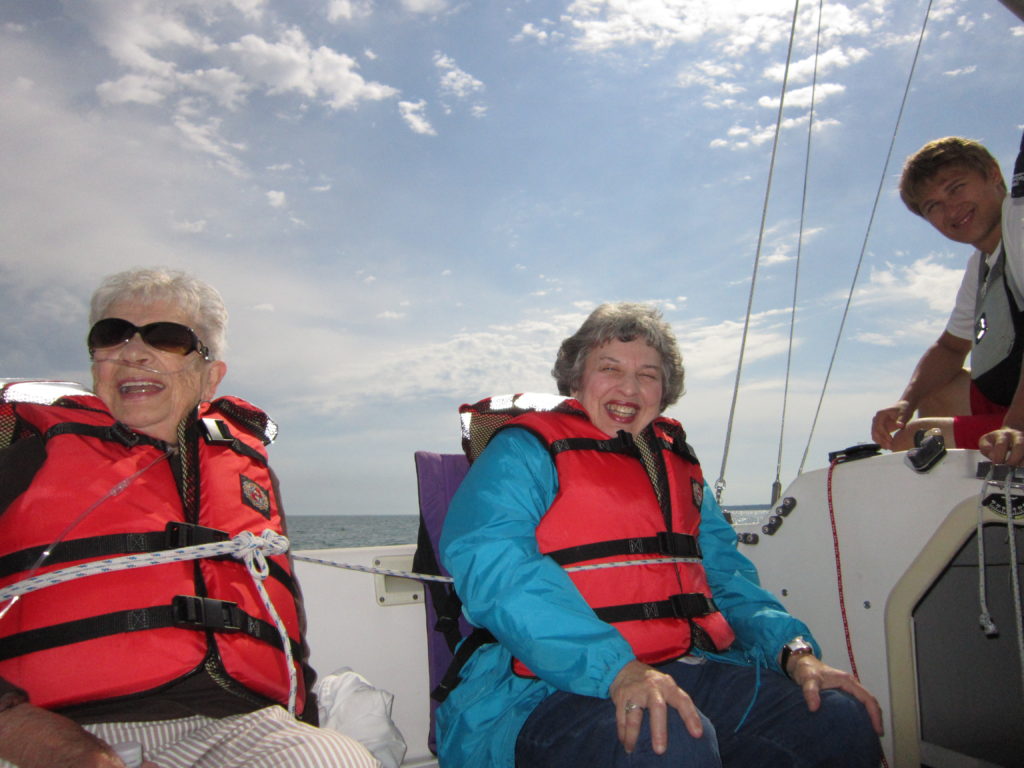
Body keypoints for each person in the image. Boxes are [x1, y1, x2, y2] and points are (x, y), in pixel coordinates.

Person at [436, 303, 883, 767]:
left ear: (664, 392)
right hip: (551, 684)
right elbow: (493, 566)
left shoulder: (679, 467)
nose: (628, 388)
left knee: (836, 716)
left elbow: (726, 579)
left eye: (648, 375)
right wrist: (617, 670)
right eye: (609, 368)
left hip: (691, 667)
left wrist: (793, 651)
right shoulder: (524, 451)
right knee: (668, 739)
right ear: (575, 380)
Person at [0, 268, 380, 768]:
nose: (133, 352)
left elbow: (274, 618)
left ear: (210, 375)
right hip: (54, 725)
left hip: (240, 724)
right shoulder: (26, 457)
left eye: (167, 338)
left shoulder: (244, 475)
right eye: (112, 336)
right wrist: (23, 727)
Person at [871, 134, 1024, 465]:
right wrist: (905, 404)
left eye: (956, 188)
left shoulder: (1020, 221)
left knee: (917, 441)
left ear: (993, 174)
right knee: (939, 392)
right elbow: (950, 348)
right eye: (933, 206)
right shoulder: (982, 263)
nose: (950, 209)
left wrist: (1015, 425)